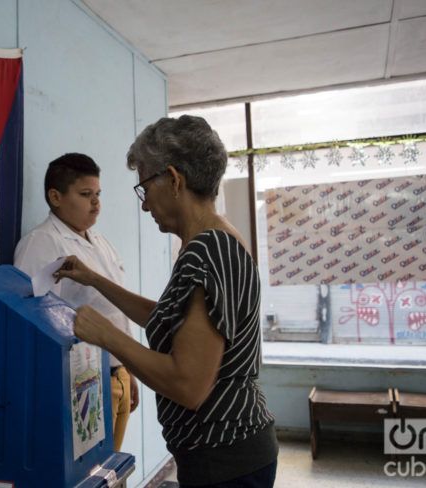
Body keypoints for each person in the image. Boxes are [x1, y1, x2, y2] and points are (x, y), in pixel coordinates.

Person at [55, 116, 278, 487]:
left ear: (174, 180)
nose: (144, 207)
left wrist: (106, 336)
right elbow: (171, 320)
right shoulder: (222, 238)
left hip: (224, 458)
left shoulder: (205, 252)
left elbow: (187, 385)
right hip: (234, 453)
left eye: (145, 187)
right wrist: (95, 280)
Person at [14, 152, 139, 451]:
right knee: (91, 471)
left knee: (111, 470)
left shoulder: (100, 242)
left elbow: (114, 311)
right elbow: (32, 317)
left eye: (98, 194)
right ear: (55, 197)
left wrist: (128, 369)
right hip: (83, 380)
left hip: (116, 371)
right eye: (85, 195)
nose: (96, 203)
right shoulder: (42, 243)